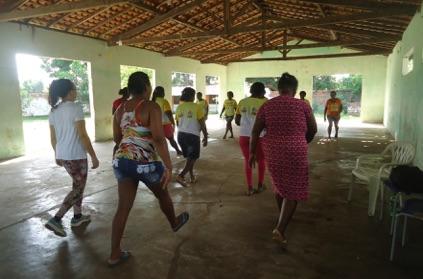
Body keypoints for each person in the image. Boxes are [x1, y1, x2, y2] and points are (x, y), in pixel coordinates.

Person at [110, 72, 189, 266]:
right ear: (146, 87)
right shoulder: (151, 106)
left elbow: (116, 138)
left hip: (121, 160)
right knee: (162, 195)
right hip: (145, 163)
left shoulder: (119, 109)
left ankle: (114, 255)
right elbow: (159, 138)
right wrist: (168, 166)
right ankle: (174, 222)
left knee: (122, 208)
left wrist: (129, 148)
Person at [250, 73, 317, 248]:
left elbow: (255, 131)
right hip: (296, 151)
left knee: (280, 185)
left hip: (273, 151)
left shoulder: (267, 106)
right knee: (293, 189)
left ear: (279, 89)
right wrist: (302, 141)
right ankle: (280, 229)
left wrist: (251, 153)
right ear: (294, 90)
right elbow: (313, 129)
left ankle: (283, 215)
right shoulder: (303, 105)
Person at [45, 79, 99, 237]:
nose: (77, 92)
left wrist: (57, 154)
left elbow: (53, 138)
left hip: (64, 155)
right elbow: (82, 134)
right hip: (77, 155)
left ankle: (77, 216)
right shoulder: (76, 108)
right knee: (78, 188)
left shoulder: (53, 111)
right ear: (69, 92)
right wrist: (94, 156)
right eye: (75, 89)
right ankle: (57, 218)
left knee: (78, 185)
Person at [235, 82, 267, 196]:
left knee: (248, 160)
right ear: (263, 91)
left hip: (244, 136)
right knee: (261, 161)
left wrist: (246, 122)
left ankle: (249, 188)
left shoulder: (242, 102)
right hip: (259, 137)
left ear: (251, 91)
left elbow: (237, 121)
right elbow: (267, 123)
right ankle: (260, 185)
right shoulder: (265, 103)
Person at [175, 87, 208, 187]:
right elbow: (202, 123)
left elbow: (177, 122)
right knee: (192, 158)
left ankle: (192, 176)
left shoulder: (179, 107)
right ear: (192, 96)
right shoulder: (197, 107)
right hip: (192, 136)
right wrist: (206, 136)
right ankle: (181, 176)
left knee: (189, 158)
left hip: (181, 135)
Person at [152, 86, 183, 156]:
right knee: (171, 139)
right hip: (166, 124)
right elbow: (168, 113)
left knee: (158, 141)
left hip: (156, 125)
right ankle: (178, 151)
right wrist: (173, 122)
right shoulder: (164, 101)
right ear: (162, 93)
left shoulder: (152, 101)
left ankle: (156, 154)